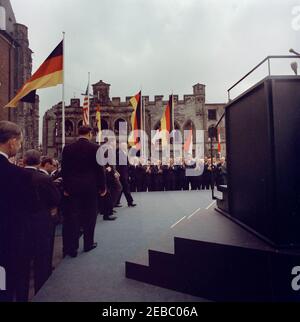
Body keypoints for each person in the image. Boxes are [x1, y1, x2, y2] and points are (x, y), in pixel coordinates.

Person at [0, 121, 36, 302]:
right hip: (8, 243)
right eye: (20, 142)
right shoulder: (20, 175)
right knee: (6, 289)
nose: (20, 146)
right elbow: (29, 209)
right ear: (12, 142)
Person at [61, 126, 107, 257]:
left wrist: (66, 188)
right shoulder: (96, 148)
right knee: (90, 216)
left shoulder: (67, 149)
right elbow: (100, 170)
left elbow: (64, 170)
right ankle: (88, 244)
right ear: (90, 134)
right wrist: (102, 187)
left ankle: (72, 248)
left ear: (78, 133)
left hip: (72, 189)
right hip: (90, 188)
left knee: (73, 217)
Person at [23, 150, 61, 294]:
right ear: (40, 163)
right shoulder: (43, 179)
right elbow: (56, 198)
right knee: (42, 256)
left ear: (24, 161)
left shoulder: (18, 176)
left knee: (24, 256)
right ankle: (42, 289)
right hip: (41, 220)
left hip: (22, 221)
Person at [116, 142, 137, 207]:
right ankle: (130, 202)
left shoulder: (123, 153)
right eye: (125, 146)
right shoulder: (119, 153)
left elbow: (126, 165)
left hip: (124, 173)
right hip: (122, 174)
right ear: (121, 146)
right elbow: (120, 166)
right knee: (125, 188)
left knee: (122, 188)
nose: (126, 147)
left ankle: (117, 202)